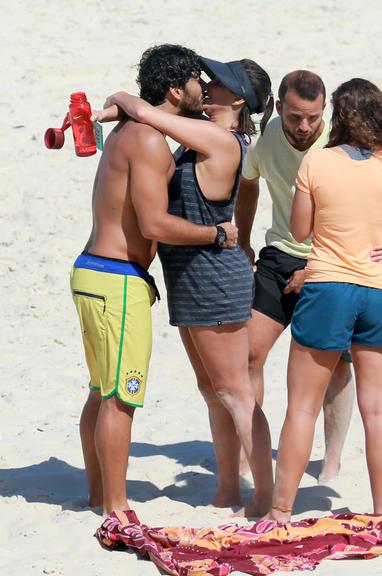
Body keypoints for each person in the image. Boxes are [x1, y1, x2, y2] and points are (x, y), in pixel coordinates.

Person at [100, 53, 275, 516]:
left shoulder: (222, 140)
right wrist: (114, 110)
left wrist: (118, 98)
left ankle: (265, 496)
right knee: (211, 389)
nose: (205, 82)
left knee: (237, 392)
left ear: (236, 98)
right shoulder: (201, 130)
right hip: (188, 277)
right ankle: (228, 489)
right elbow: (156, 114)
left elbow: (144, 111)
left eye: (214, 80)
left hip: (213, 277)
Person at [71, 44, 238, 516]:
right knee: (121, 397)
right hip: (116, 279)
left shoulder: (130, 129)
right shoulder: (146, 140)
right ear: (173, 88)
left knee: (101, 391)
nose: (203, 90)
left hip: (94, 272)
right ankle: (117, 508)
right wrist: (218, 234)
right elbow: (154, 226)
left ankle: (98, 496)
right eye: (195, 82)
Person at [269, 77, 382, 522]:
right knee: (375, 411)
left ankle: (280, 510)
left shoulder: (316, 163)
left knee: (302, 406)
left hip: (329, 286)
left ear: (338, 114)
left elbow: (299, 232)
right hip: (377, 291)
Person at [235, 70, 354, 484]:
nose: (304, 127)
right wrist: (245, 240)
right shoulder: (268, 137)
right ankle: (251, 456)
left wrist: (315, 269)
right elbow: (248, 183)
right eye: (295, 118)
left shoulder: (342, 145)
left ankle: (332, 460)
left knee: (336, 364)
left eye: (314, 117)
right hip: (279, 256)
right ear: (280, 108)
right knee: (248, 354)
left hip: (333, 261)